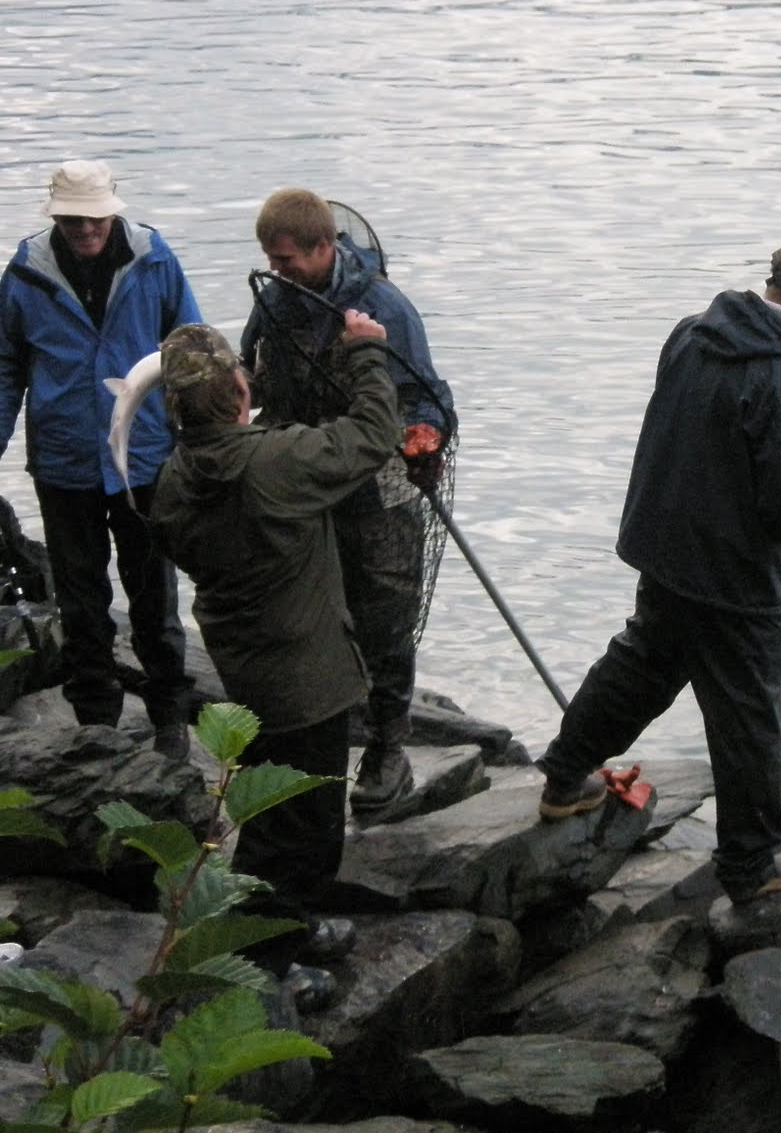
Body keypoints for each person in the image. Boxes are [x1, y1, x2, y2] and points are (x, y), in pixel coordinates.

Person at [533, 239, 781, 903]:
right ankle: (751, 862)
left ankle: (565, 776)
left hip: (665, 547)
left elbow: (683, 435)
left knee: (642, 665)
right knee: (747, 713)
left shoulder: (691, 333)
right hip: (733, 574)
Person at [148, 314, 399, 1001]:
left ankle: (293, 921)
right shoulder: (276, 463)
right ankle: (266, 966)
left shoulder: (173, 480)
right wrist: (367, 353)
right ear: (239, 391)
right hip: (306, 678)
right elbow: (373, 434)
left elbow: (173, 537)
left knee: (283, 807)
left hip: (246, 669)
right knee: (293, 828)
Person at [240, 188, 454, 813]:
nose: (277, 271)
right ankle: (315, 746)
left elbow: (427, 397)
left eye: (286, 260)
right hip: (303, 482)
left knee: (386, 621)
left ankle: (388, 748)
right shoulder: (275, 301)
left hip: (378, 492)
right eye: (271, 260)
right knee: (306, 619)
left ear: (322, 247)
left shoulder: (385, 307)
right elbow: (254, 374)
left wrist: (424, 438)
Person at [0, 160, 198, 757]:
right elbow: (6, 366)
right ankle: (96, 722)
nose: (85, 228)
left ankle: (170, 718)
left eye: (94, 218)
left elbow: (191, 348)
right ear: (55, 216)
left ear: (112, 211)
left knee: (154, 596)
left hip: (145, 460)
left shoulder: (154, 261)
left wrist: (205, 438)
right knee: (81, 602)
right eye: (72, 219)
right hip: (64, 463)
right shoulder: (26, 273)